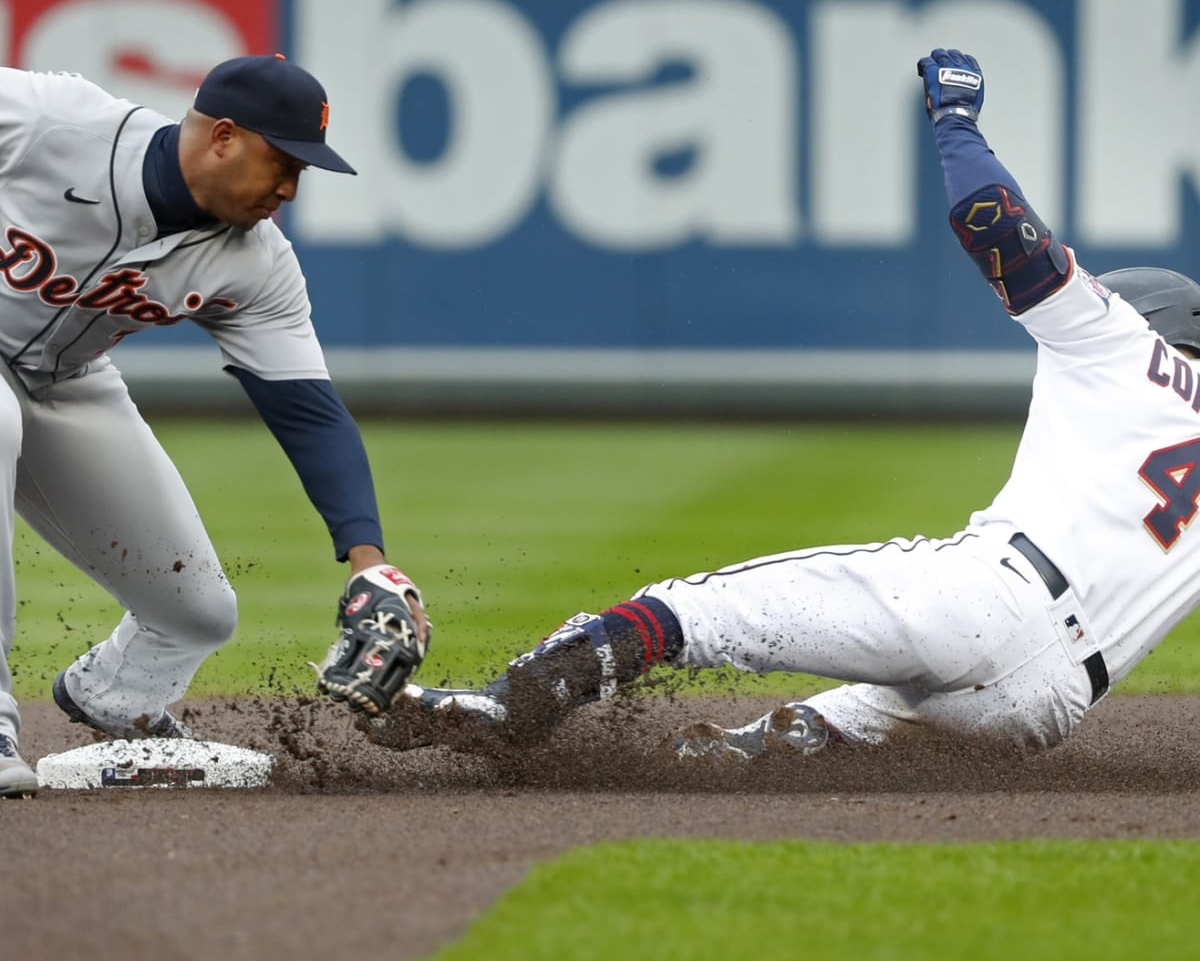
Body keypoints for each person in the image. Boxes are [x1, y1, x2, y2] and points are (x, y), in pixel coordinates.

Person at [350, 47, 1200, 764]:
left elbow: (994, 223)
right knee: (832, 727)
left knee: (694, 610)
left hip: (989, 601)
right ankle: (777, 741)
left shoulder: (1122, 342)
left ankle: (514, 701)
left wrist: (956, 123)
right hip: (1047, 708)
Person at [0, 54, 429, 797]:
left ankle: (119, 696)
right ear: (223, 137)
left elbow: (308, 411)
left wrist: (371, 561)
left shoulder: (256, 264)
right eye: (283, 163)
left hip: (65, 380)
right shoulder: (47, 120)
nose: (290, 190)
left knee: (194, 613)